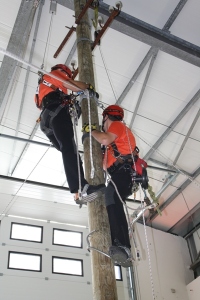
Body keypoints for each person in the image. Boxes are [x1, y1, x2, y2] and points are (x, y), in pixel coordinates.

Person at [34, 64, 105, 203]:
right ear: (63, 72)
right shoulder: (55, 74)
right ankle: (81, 187)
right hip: (56, 111)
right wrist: (87, 87)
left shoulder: (44, 86)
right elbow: (73, 85)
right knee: (68, 149)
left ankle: (78, 192)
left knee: (70, 151)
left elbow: (39, 103)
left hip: (46, 121)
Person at [89, 105, 148, 268]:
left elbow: (104, 138)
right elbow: (103, 162)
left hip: (124, 174)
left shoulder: (117, 125)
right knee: (110, 197)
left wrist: (91, 132)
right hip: (119, 176)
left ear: (106, 117)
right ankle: (119, 243)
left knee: (112, 197)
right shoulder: (112, 144)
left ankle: (123, 246)